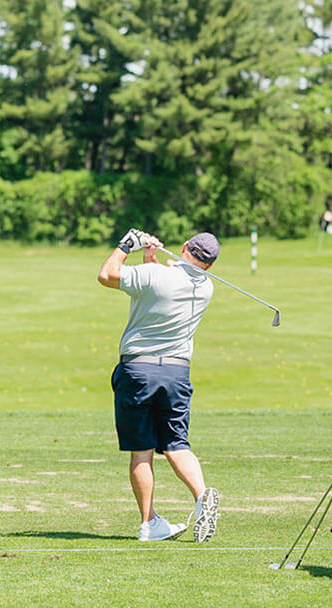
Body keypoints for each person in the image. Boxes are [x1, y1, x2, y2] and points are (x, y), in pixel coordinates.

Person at [97, 228, 221, 542]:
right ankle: (201, 493)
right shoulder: (205, 287)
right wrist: (149, 259)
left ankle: (149, 522)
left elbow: (107, 275)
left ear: (184, 247)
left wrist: (127, 245)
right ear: (209, 265)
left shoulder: (154, 275)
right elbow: (159, 283)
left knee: (141, 452)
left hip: (138, 371)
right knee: (177, 445)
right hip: (177, 374)